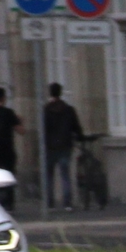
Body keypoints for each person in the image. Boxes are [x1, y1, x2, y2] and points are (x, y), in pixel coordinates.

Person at [41, 83, 83, 211]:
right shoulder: (68, 109)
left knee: (49, 175)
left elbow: (43, 129)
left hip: (50, 146)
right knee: (65, 174)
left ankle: (49, 202)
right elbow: (76, 127)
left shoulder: (46, 110)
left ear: (50, 93)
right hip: (65, 145)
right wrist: (79, 136)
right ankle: (67, 203)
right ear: (60, 92)